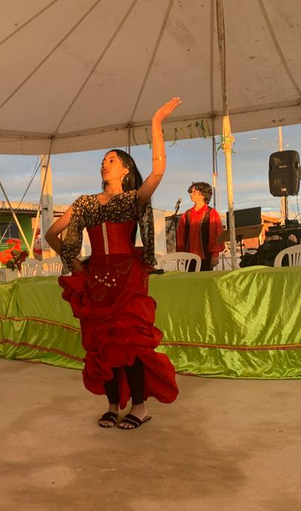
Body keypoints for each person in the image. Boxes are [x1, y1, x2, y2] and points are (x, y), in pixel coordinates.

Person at [45, 98, 181, 430]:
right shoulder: (84, 204)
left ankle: (139, 407)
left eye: (112, 160)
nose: (105, 164)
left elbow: (159, 171)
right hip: (96, 280)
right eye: (103, 161)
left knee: (129, 344)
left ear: (125, 169)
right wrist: (75, 262)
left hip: (128, 279)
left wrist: (156, 122)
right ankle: (111, 404)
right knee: (102, 344)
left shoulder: (134, 199)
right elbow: (51, 235)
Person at [176, 182, 225, 271]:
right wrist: (181, 253)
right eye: (191, 192)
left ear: (202, 194)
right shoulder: (186, 214)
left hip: (206, 257)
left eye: (194, 192)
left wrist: (215, 254)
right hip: (189, 257)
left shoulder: (211, 213)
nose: (191, 194)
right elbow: (180, 236)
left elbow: (216, 235)